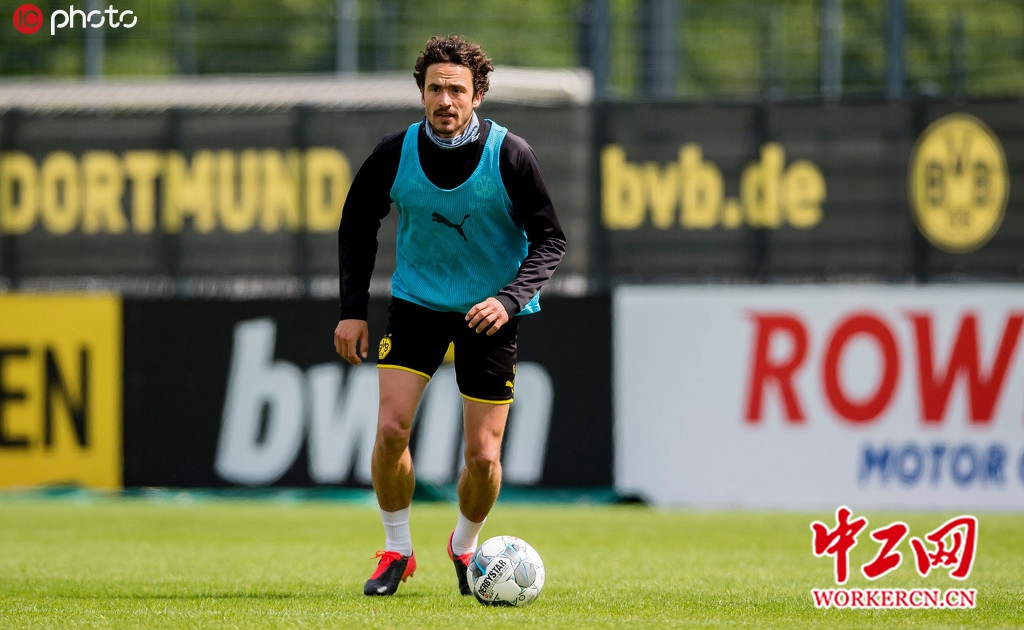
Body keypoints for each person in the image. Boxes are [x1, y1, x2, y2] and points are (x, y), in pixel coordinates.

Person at [333, 35, 566, 597]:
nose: (445, 99)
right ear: (421, 92)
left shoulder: (511, 155)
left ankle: (464, 547)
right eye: (435, 88)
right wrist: (352, 311)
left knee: (483, 458)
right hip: (417, 304)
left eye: (456, 90)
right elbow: (357, 224)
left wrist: (508, 299)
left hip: (489, 315)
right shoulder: (395, 151)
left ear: (477, 95)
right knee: (391, 429)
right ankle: (397, 549)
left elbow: (551, 239)